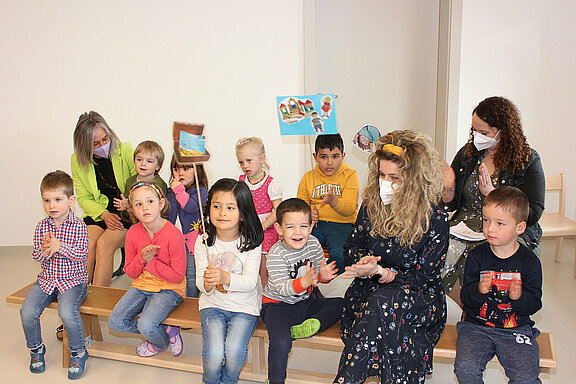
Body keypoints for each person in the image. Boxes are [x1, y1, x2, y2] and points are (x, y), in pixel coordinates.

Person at [334, 130, 449, 384]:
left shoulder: (435, 218)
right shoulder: (372, 204)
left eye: (395, 177)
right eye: (381, 175)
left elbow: (425, 276)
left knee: (385, 302)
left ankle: (346, 380)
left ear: (414, 179)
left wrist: (386, 274)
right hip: (371, 291)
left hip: (418, 297)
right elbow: (351, 248)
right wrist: (363, 263)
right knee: (381, 302)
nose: (385, 182)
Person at [442, 96, 545, 307]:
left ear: (504, 131)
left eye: (485, 133)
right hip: (464, 226)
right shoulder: (468, 155)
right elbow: (451, 205)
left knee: (481, 259)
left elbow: (533, 212)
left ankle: (485, 312)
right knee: (434, 253)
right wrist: (448, 189)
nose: (478, 137)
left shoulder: (527, 160)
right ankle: (472, 309)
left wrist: (493, 196)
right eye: (475, 131)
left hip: (505, 228)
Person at [455, 186, 543, 384]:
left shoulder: (529, 262)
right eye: (486, 220)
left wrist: (518, 297)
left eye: (500, 223)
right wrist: (479, 290)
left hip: (515, 328)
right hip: (476, 327)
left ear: (519, 228)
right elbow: (466, 298)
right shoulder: (476, 256)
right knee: (465, 369)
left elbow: (535, 304)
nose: (490, 228)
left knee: (526, 377)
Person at [261, 198, 344, 384]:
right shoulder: (276, 253)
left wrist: (323, 276)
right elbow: (282, 288)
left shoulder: (314, 244)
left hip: (303, 302)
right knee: (281, 343)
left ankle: (310, 325)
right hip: (276, 306)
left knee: (340, 303)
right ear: (279, 229)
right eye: (290, 227)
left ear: (311, 226)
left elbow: (315, 280)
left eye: (304, 226)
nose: (298, 233)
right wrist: (305, 281)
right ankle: (275, 381)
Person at [20, 171, 89, 379]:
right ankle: (36, 349)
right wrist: (44, 251)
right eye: (47, 200)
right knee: (27, 311)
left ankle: (78, 352)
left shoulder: (79, 226)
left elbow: (81, 254)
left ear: (71, 200)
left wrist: (60, 247)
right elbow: (36, 256)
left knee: (67, 312)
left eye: (57, 200)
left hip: (73, 281)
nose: (52, 205)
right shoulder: (42, 226)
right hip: (48, 280)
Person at [194, 178, 264, 384]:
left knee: (234, 352)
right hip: (212, 304)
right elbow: (200, 281)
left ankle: (229, 380)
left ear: (243, 213)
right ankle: (211, 381)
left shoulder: (251, 242)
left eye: (230, 207)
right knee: (214, 355)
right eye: (216, 206)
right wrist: (206, 283)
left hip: (244, 307)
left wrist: (225, 277)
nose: (222, 213)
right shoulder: (203, 240)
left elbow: (251, 282)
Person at [108, 182, 186, 357]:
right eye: (138, 204)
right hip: (142, 286)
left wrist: (150, 263)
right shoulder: (133, 233)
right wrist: (141, 258)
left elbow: (178, 276)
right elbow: (130, 272)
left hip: (169, 289)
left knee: (147, 325)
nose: (145, 208)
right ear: (133, 211)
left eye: (150, 201)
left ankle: (156, 340)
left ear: (161, 204)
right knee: (115, 322)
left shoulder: (173, 235)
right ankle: (164, 335)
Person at [71, 111, 136, 287]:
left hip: (126, 214)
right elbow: (83, 198)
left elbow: (140, 187)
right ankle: (77, 298)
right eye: (95, 144)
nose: (102, 146)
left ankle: (97, 303)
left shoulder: (125, 150)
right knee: (88, 244)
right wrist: (104, 215)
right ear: (84, 146)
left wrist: (128, 206)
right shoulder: (78, 161)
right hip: (100, 213)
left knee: (104, 245)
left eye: (105, 139)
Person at [297, 133, 359, 274]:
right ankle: (308, 286)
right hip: (316, 225)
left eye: (335, 156)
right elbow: (299, 208)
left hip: (342, 226)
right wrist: (308, 215)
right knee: (301, 251)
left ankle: (334, 290)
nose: (329, 162)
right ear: (315, 157)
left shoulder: (350, 175)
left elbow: (349, 209)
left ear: (343, 156)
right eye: (324, 157)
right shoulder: (308, 177)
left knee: (339, 256)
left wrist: (334, 201)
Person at [236, 137, 282, 287]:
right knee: (245, 263)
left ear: (261, 158)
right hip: (246, 229)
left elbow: (278, 211)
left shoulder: (271, 184)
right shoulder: (240, 182)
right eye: (241, 162)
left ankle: (264, 293)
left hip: (265, 231)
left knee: (262, 264)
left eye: (249, 160)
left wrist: (261, 226)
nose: (245, 166)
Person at [166, 156, 208, 298]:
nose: (180, 173)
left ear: (197, 170)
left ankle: (191, 305)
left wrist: (178, 190)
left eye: (186, 168)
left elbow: (189, 206)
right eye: (176, 169)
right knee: (177, 274)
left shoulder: (200, 191)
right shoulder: (171, 192)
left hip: (191, 242)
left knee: (191, 275)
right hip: (173, 240)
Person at [114, 140, 168, 212]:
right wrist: (125, 206)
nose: (143, 164)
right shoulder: (130, 181)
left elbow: (161, 210)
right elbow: (127, 205)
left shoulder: (160, 184)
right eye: (139, 159)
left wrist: (131, 208)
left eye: (149, 161)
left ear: (157, 166)